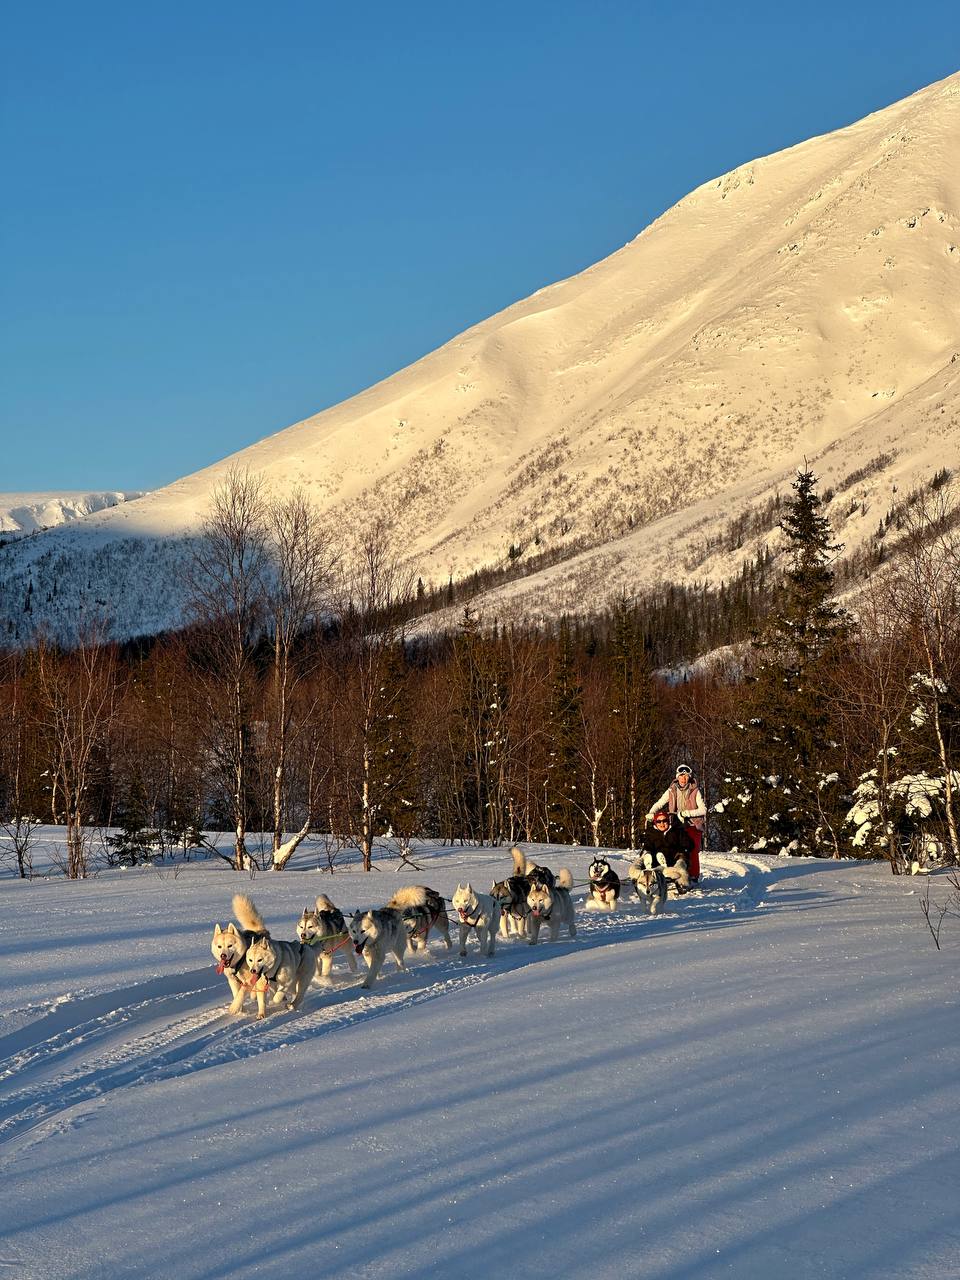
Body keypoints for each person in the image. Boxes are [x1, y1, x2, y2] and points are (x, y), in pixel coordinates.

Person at [646, 764, 706, 882]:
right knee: (674, 848)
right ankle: (675, 874)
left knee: (691, 849)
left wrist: (686, 814)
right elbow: (659, 803)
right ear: (677, 777)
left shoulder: (695, 790)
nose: (683, 779)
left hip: (692, 825)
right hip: (676, 824)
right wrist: (651, 813)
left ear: (689, 777)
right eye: (681, 776)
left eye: (686, 777)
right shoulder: (671, 790)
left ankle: (693, 876)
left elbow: (703, 810)